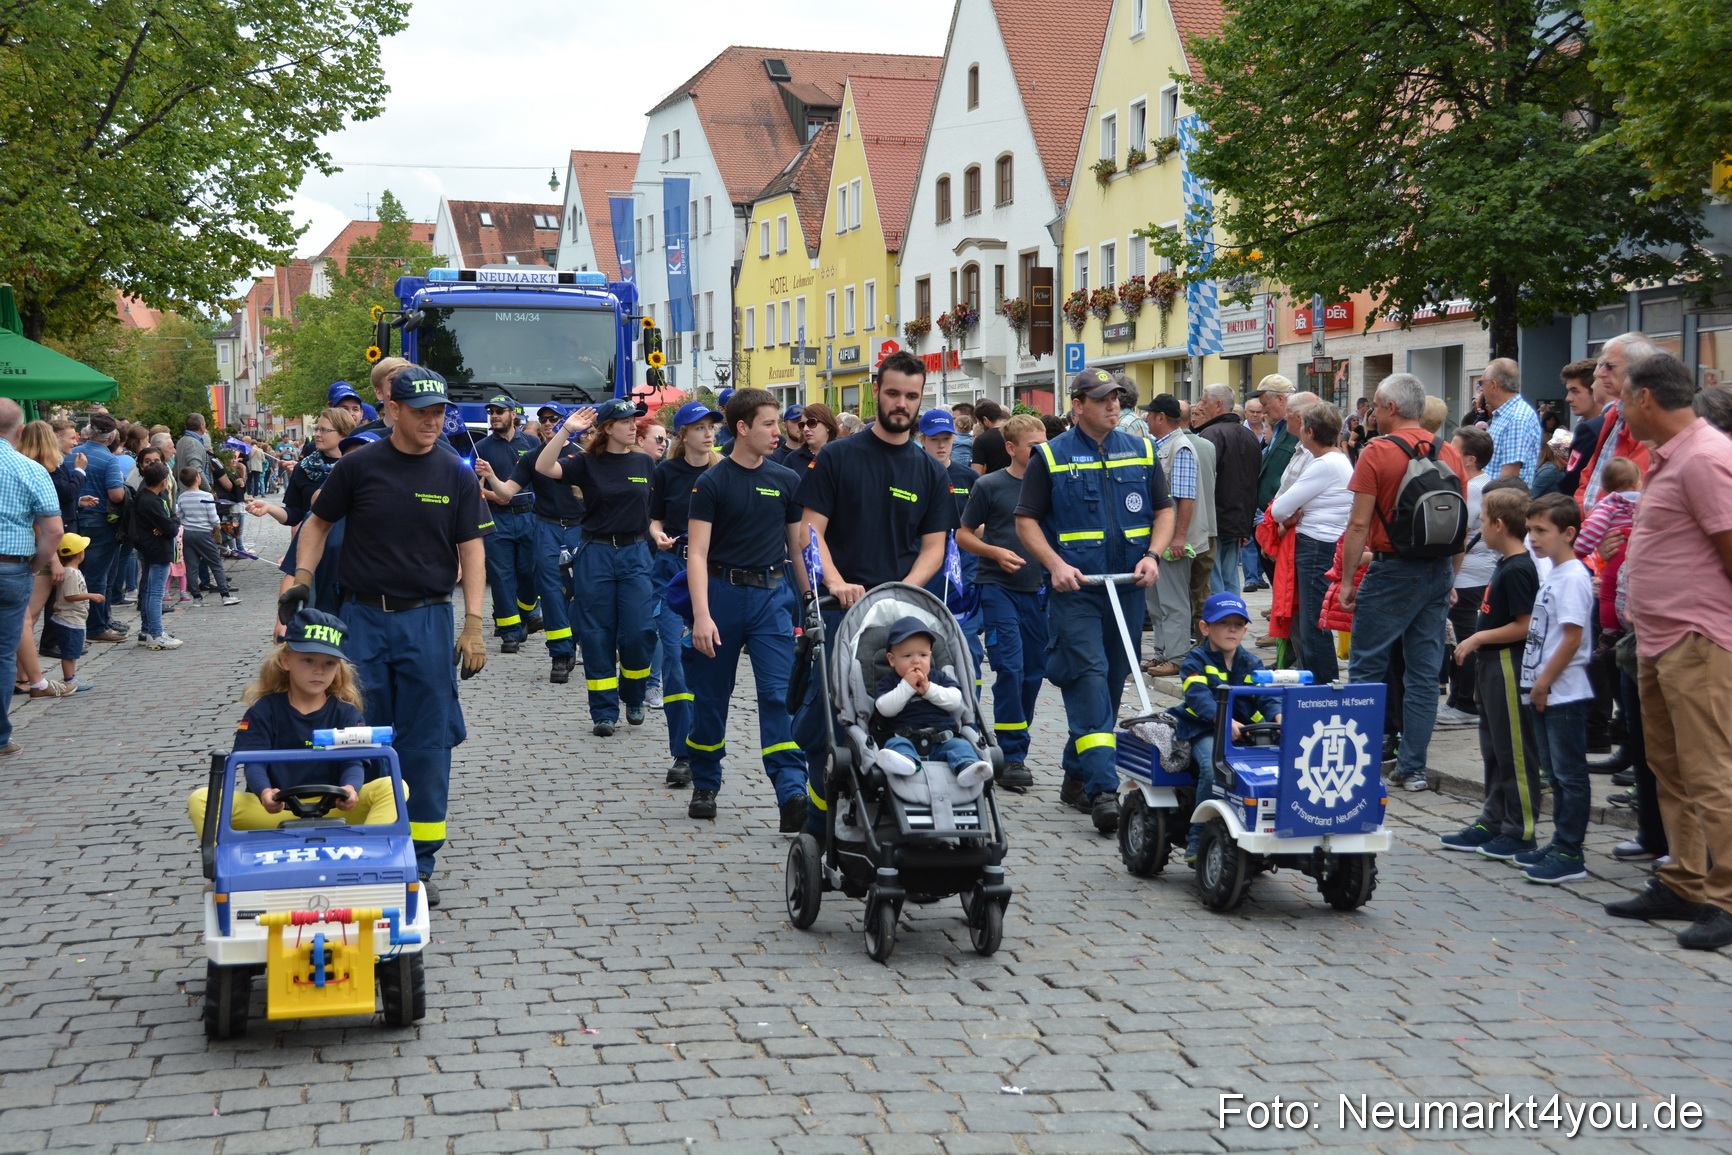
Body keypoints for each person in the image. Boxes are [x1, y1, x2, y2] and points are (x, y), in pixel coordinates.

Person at [283, 366, 493, 907]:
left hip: (427, 619)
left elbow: (472, 549)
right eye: (421, 411)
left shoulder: (455, 473)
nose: (432, 420)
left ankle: (419, 865)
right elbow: (316, 524)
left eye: (439, 411)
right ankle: (368, 847)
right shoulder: (358, 467)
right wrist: (303, 578)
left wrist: (473, 622)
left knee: (427, 742)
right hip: (362, 620)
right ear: (391, 411)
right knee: (359, 730)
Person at [795, 351, 957, 833]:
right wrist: (836, 581)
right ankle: (818, 824)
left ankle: (892, 811)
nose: (901, 404)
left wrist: (902, 592)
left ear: (921, 397)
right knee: (828, 724)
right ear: (876, 391)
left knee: (908, 712)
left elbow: (934, 547)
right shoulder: (838, 457)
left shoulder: (930, 471)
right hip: (843, 612)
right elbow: (810, 532)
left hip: (902, 617)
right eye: (892, 393)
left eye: (911, 395)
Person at [1607, 353, 1732, 951]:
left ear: (1647, 399)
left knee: (1712, 774)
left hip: (1697, 638)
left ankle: (1726, 898)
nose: (1621, 410)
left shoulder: (1706, 457)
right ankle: (1684, 880)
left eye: (1625, 398)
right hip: (1658, 638)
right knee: (1671, 770)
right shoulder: (1667, 458)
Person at [1015, 367, 1174, 834]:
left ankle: (1074, 772)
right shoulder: (1050, 455)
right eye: (1103, 399)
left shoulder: (1142, 449)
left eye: (1117, 398)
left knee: (1112, 681)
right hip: (1078, 591)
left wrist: (1153, 555)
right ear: (1078, 404)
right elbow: (1026, 520)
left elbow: (1163, 509)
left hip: (1128, 587)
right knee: (1088, 677)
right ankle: (1104, 789)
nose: (1114, 406)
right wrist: (1055, 565)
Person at [683, 389, 809, 824]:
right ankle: (705, 781)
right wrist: (701, 616)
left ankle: (791, 791)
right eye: (769, 424)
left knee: (779, 695)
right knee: (711, 697)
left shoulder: (787, 480)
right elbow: (696, 553)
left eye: (777, 423)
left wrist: (809, 601)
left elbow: (796, 549)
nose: (778, 432)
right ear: (742, 428)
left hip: (773, 598)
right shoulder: (712, 482)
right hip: (721, 596)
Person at [1339, 373, 1467, 793]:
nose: (1371, 414)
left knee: (1366, 668)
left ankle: (1357, 763)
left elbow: (1358, 525)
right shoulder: (1449, 451)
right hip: (1437, 572)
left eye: (1375, 406)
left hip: (1392, 571)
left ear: (1391, 408)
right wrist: (1452, 578)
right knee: (1424, 675)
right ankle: (1412, 768)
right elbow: (1460, 527)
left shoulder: (1376, 452)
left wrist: (1346, 580)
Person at [186, 609, 398, 833]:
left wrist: (350, 789)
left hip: (336, 808)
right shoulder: (262, 712)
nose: (319, 670)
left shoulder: (347, 713)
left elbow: (353, 762)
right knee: (202, 800)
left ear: (338, 668)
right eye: (308, 660)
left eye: (329, 663)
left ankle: (366, 855)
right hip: (274, 810)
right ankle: (228, 866)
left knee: (393, 787)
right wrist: (265, 792)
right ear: (286, 660)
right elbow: (254, 762)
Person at [536, 398, 656, 737]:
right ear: (606, 428)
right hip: (596, 553)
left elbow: (654, 509)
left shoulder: (645, 462)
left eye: (635, 420)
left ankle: (633, 695)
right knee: (596, 633)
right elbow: (545, 468)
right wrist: (565, 431)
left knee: (639, 631)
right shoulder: (586, 462)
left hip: (635, 553)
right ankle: (603, 711)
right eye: (625, 421)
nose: (633, 426)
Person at [1441, 486, 1540, 856]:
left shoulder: (1518, 568)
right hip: (1491, 666)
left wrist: (1478, 638)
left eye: (1482, 519)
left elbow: (1524, 624)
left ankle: (1520, 828)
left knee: (1514, 748)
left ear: (1499, 524)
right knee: (1493, 747)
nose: (1479, 526)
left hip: (1507, 664)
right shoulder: (1504, 563)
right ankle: (1493, 818)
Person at [957, 413, 1047, 792]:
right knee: (1009, 667)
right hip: (997, 587)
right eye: (1034, 446)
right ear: (1011, 448)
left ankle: (1014, 737)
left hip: (1040, 591)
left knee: (1033, 672)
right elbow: (962, 535)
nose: (1042, 452)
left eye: (1046, 445)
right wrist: (994, 552)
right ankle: (1012, 755)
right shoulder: (989, 485)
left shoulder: (1054, 484)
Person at [1514, 494, 1595, 884]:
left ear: (1568, 533)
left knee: (1569, 773)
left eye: (1541, 531)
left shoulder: (1575, 577)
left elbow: (1573, 638)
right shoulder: (1554, 574)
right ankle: (1561, 840)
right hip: (1542, 689)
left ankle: (1571, 850)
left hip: (1562, 690)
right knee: (1555, 773)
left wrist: (1544, 681)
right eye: (1530, 530)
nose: (1533, 538)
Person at [1168, 592, 1281, 863]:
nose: (1232, 629)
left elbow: (1266, 696)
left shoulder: (1250, 662)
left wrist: (1278, 717)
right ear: (1205, 627)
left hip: (1242, 732)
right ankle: (1198, 835)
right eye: (1223, 623)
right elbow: (1197, 696)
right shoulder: (1196, 660)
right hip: (1202, 730)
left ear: (1245, 630)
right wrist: (1222, 720)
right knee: (1212, 766)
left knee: (1272, 767)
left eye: (1238, 624)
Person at [477, 404, 582, 684]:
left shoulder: (584, 456)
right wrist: (489, 475)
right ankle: (560, 654)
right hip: (546, 527)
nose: (548, 424)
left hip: (581, 529)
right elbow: (507, 492)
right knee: (550, 592)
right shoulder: (533, 457)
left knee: (583, 591)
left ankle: (576, 639)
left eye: (554, 419)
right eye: (543, 420)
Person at [649, 401, 723, 785]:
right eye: (699, 427)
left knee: (707, 663)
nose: (708, 433)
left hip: (714, 573)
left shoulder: (724, 470)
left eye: (712, 426)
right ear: (683, 434)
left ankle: (705, 745)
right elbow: (654, 516)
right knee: (675, 660)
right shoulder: (666, 471)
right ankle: (682, 753)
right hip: (672, 569)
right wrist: (656, 533)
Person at [0, 399, 66, 752]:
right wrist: (31, 565)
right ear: (20, 430)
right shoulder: (30, 469)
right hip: (11, 565)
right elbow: (54, 530)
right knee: (2, 653)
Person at [1269, 401, 1353, 681]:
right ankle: (1320, 680)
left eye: (1303, 427)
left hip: (1316, 546)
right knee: (1313, 620)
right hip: (1323, 544)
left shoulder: (1325, 464)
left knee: (1312, 623)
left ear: (1310, 432)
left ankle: (1323, 683)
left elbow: (1280, 509)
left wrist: (1290, 516)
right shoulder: (1337, 460)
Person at [871, 616, 993, 784]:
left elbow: (955, 701)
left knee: (961, 747)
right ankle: (906, 763)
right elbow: (885, 708)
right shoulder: (890, 682)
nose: (916, 661)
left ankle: (968, 767)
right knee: (895, 744)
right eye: (907, 656)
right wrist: (907, 687)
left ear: (930, 655)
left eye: (923, 655)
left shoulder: (938, 678)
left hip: (943, 739)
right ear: (892, 660)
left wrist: (929, 690)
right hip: (904, 737)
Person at [1139, 394, 1205, 679]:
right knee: (1155, 601)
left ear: (1161, 418)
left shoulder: (1181, 448)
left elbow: (1185, 498)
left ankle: (1177, 657)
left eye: (1149, 414)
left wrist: (1179, 538)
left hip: (1173, 542)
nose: (1146, 419)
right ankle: (1161, 653)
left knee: (1173, 601)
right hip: (1158, 540)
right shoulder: (1161, 446)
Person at [1437, 425, 1496, 727]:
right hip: (1475, 574)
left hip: (1468, 577)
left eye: (1453, 448)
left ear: (1469, 459)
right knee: (1462, 637)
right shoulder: (1481, 484)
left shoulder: (1472, 489)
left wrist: (1451, 578)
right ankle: (1458, 698)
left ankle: (1465, 704)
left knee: (1464, 639)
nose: (1446, 451)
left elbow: (1460, 535)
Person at [473, 396, 541, 655]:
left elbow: (542, 479)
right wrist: (497, 496)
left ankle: (524, 616)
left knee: (528, 574)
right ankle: (510, 633)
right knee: (502, 577)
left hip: (528, 516)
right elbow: (474, 488)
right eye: (491, 411)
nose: (494, 415)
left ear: (514, 414)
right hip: (496, 517)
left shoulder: (532, 442)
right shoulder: (480, 447)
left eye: (500, 411)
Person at [1580, 333, 1662, 510]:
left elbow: (1630, 491)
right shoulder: (1615, 411)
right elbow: (1590, 476)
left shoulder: (1648, 418)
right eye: (1601, 365)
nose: (1599, 373)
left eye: (1609, 366)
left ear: (1637, 369)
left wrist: (1597, 527)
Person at [1193, 382, 1260, 596]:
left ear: (1218, 405)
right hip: (1239, 517)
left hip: (1216, 517)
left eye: (1204, 401)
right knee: (1230, 573)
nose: (1201, 406)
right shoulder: (1249, 436)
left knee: (1214, 574)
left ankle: (1221, 621)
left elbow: (1205, 481)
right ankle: (1234, 619)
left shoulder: (1210, 436)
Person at [73, 415, 128, 643]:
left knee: (76, 575)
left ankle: (77, 623)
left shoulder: (73, 454)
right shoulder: (108, 459)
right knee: (97, 576)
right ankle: (96, 626)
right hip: (99, 522)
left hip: (74, 521)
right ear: (112, 436)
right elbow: (116, 495)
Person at [132, 461, 182, 650]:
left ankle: (147, 631)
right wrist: (170, 523)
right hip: (157, 550)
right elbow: (170, 527)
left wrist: (169, 522)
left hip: (152, 548)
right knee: (155, 592)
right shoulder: (151, 500)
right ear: (164, 481)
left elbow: (169, 522)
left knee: (150, 591)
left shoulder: (149, 497)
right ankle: (155, 633)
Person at [175, 467, 240, 606]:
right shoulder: (206, 496)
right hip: (204, 533)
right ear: (198, 478)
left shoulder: (182, 497)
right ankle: (225, 594)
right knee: (215, 563)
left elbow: (180, 515)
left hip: (188, 533)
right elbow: (213, 518)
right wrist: (216, 526)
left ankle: (197, 597)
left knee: (191, 566)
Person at [41, 532, 97, 690]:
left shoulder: (71, 572)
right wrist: (91, 596)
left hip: (75, 618)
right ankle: (68, 679)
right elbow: (71, 595)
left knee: (74, 650)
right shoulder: (70, 573)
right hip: (70, 619)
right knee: (69, 651)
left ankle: (72, 676)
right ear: (80, 554)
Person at [1481, 359, 1542, 485]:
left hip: (1501, 501)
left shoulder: (1517, 418)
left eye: (1482, 383)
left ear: (1494, 385)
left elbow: (1509, 475)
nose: (1481, 389)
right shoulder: (1506, 414)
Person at [1556, 359, 1602, 499]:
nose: (1568, 398)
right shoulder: (1586, 427)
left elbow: (1572, 484)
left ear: (1594, 390)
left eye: (1575, 391)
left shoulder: (1590, 430)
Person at [783, 403, 837, 473]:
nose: (805, 429)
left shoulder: (842, 455)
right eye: (802, 425)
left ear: (828, 426)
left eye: (811, 423)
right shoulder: (793, 459)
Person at [969, 400, 1012, 475]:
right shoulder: (1016, 433)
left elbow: (976, 473)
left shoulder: (981, 440)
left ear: (985, 420)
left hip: (992, 484)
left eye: (980, 423)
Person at [175, 413, 211, 490]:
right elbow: (196, 469)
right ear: (201, 426)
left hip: (184, 490)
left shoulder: (181, 441)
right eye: (204, 423)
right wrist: (208, 489)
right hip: (193, 493)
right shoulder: (193, 443)